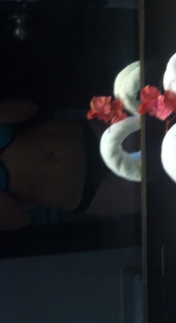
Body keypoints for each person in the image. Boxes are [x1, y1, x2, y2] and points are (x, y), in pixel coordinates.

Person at [0, 98, 139, 230]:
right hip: (86, 192)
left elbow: (30, 108)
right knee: (151, 196)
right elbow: (21, 219)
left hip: (88, 137)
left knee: (149, 129)